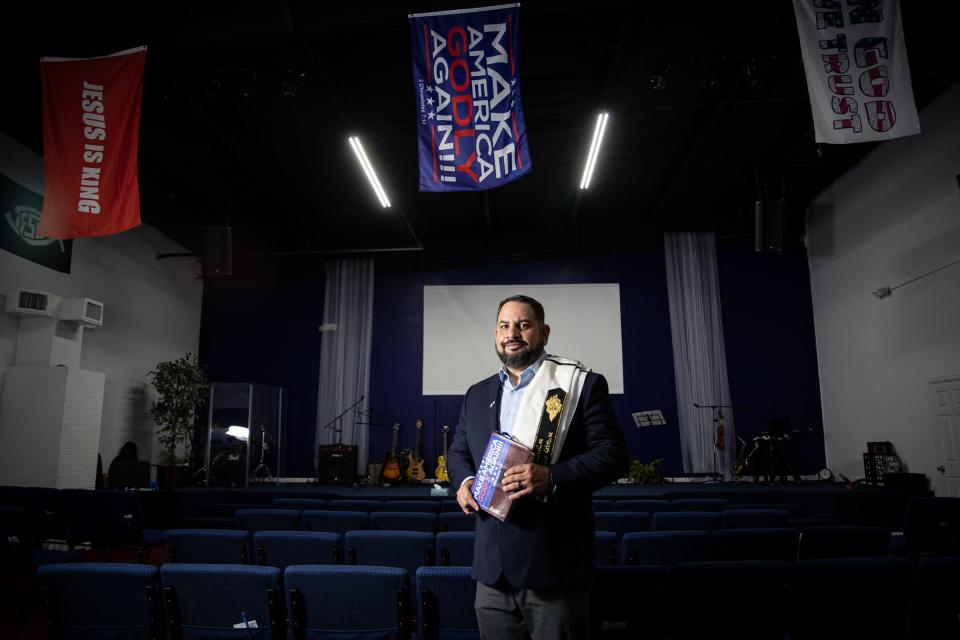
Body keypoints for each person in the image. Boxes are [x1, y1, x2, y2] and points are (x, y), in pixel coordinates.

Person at [446, 294, 630, 639]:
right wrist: (466, 480)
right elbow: (458, 453)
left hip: (554, 568)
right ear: (495, 334)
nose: (511, 332)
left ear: (544, 332)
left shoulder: (580, 385)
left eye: (523, 324)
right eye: (504, 325)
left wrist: (552, 476)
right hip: (492, 572)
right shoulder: (476, 393)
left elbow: (614, 455)